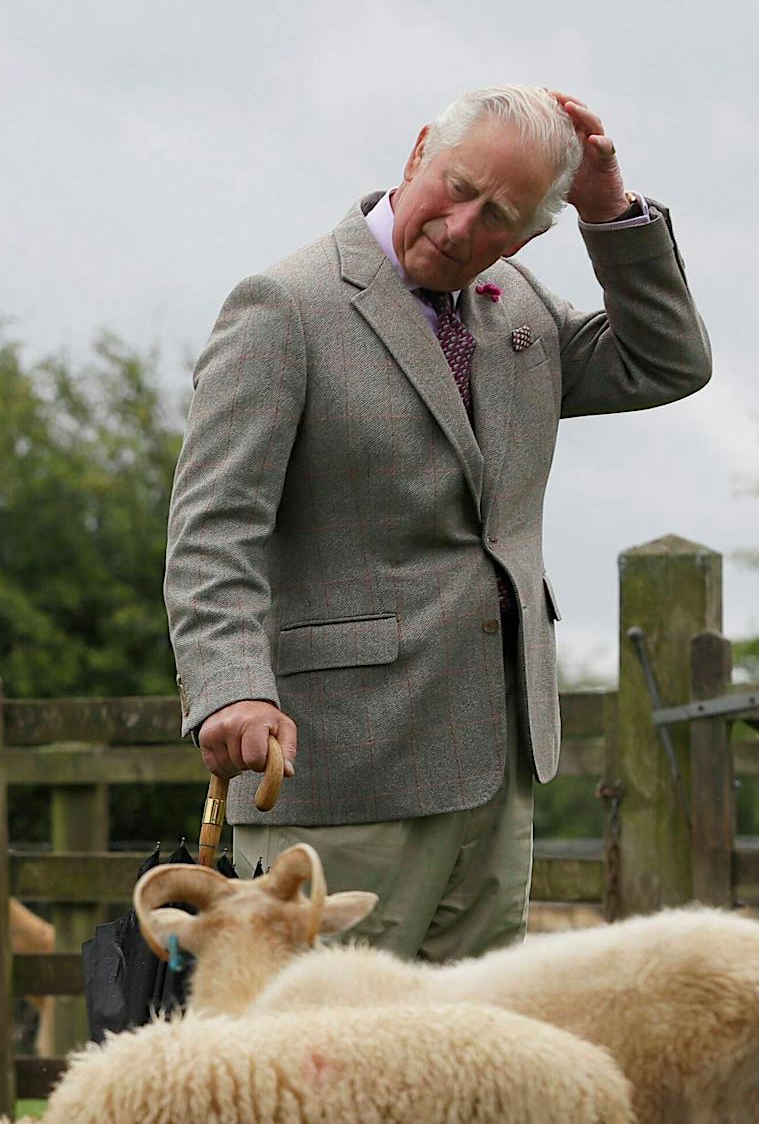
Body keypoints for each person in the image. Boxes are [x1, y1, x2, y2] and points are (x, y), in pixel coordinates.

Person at [164, 84, 710, 961]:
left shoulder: (520, 306)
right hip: (340, 771)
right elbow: (213, 526)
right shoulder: (283, 306)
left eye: (500, 216)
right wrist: (230, 685)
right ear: (419, 150)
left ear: (536, 232)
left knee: (463, 1071)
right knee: (324, 1068)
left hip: (497, 773)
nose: (462, 229)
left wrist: (611, 213)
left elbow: (665, 360)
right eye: (456, 187)